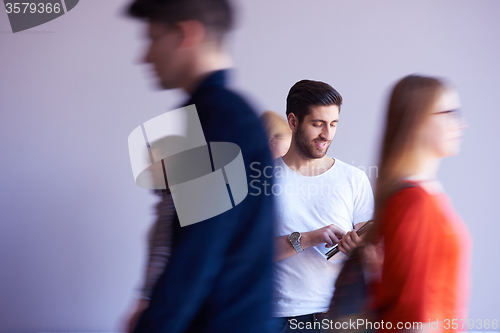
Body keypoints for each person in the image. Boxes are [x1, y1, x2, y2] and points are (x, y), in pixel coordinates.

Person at [125, 0, 275, 332]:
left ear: (186, 33)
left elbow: (197, 255)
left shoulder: (213, 120)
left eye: (152, 38)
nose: (144, 56)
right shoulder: (231, 115)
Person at [369, 74, 471, 331]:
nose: (462, 124)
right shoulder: (413, 202)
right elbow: (412, 317)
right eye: (450, 112)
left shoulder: (422, 196)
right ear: (418, 119)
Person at [272, 80, 374, 332]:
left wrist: (357, 248)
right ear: (293, 122)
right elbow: (249, 252)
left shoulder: (354, 179)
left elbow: (373, 253)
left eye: (333, 124)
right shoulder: (261, 179)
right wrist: (307, 238)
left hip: (340, 316)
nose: (327, 134)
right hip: (279, 318)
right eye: (317, 124)